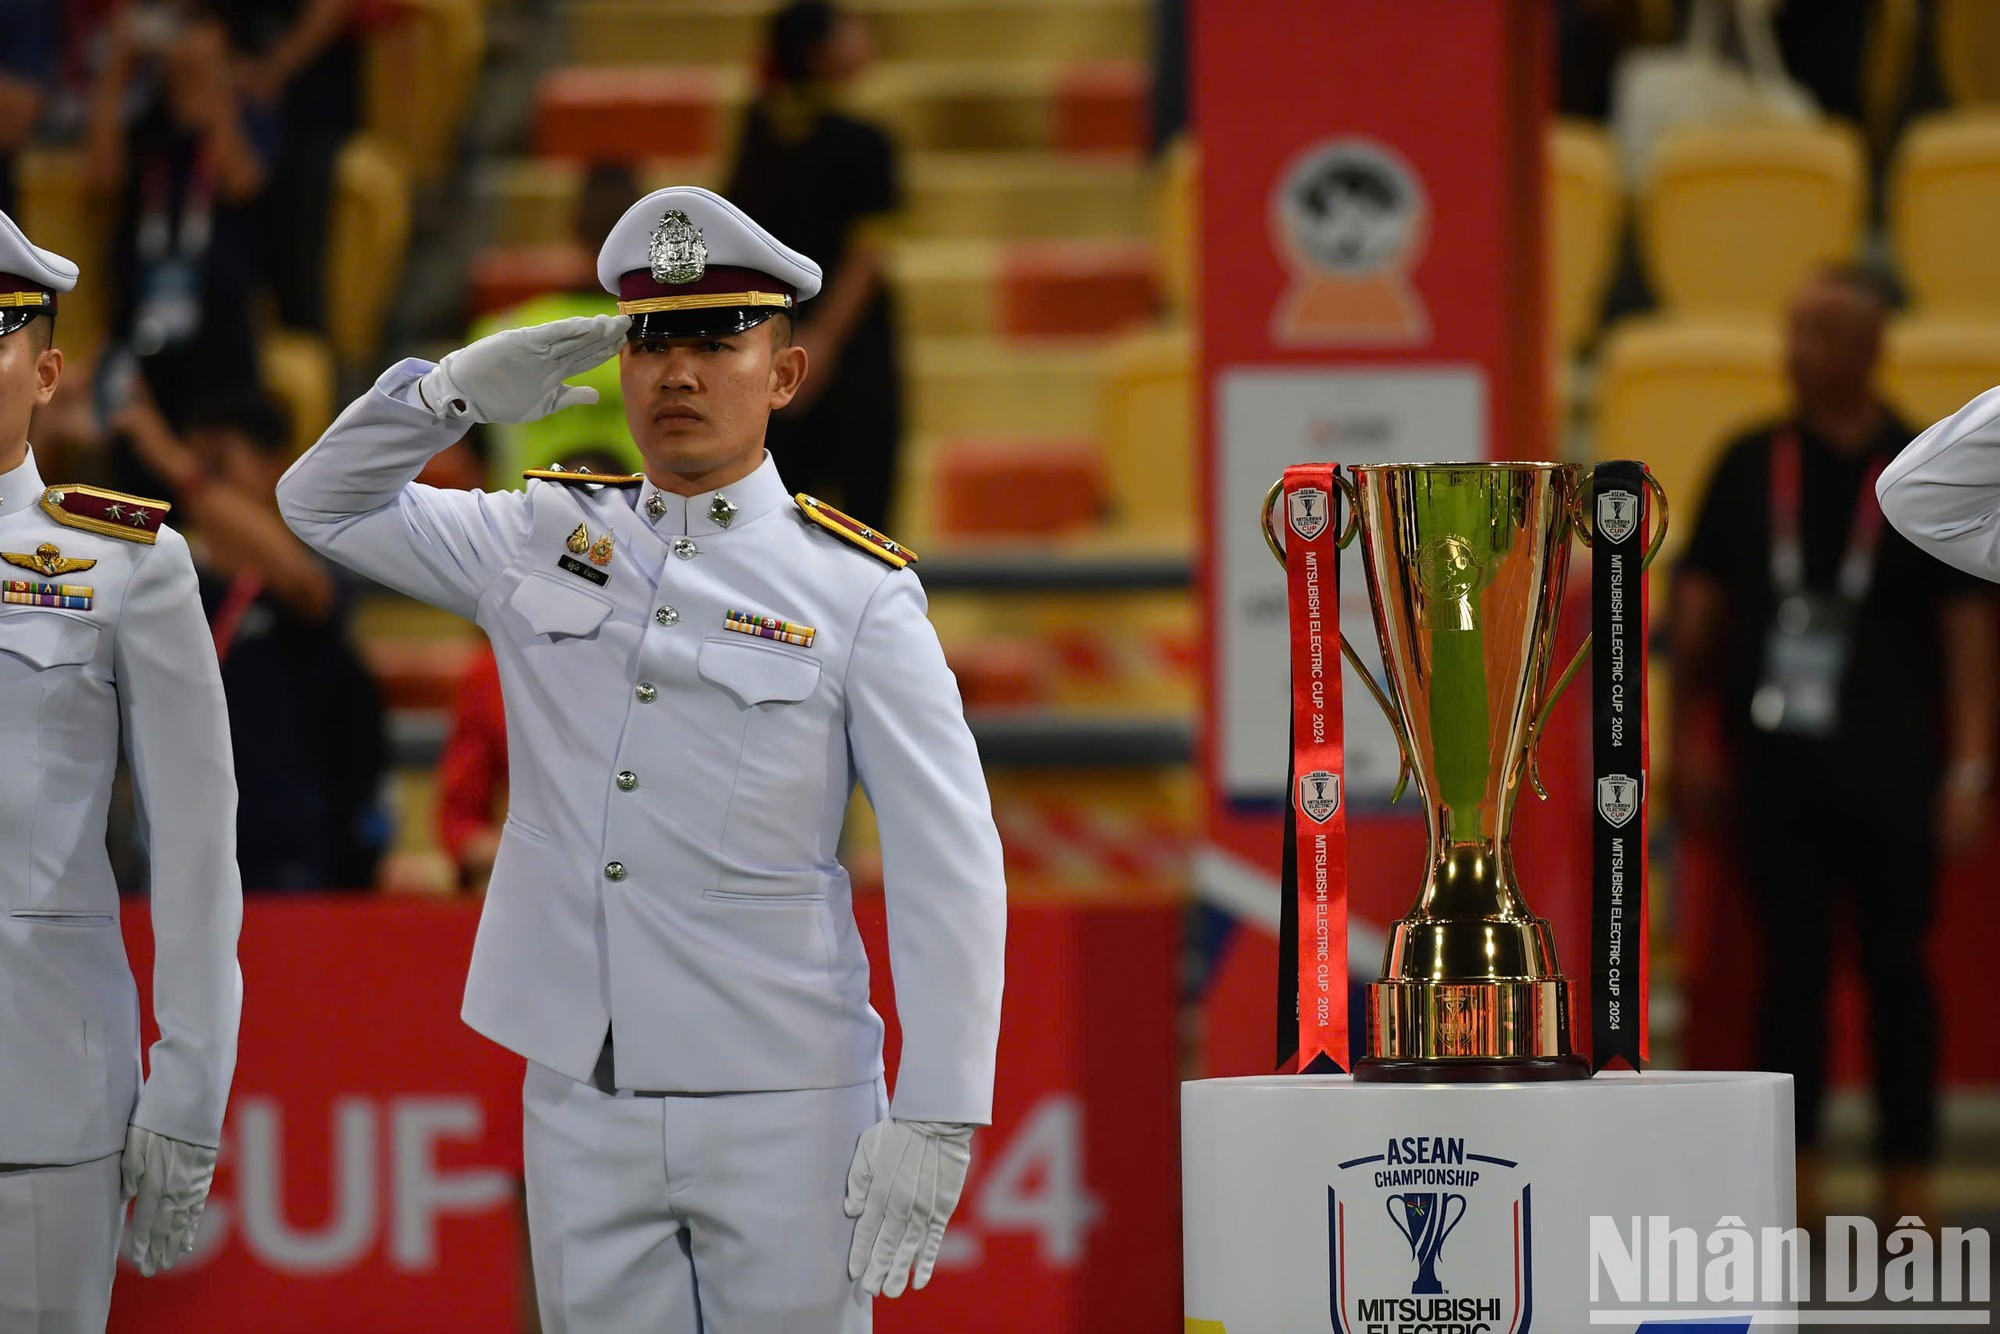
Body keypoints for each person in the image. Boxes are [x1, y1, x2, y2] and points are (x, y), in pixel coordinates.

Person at [276, 184, 1006, 1331]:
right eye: (652, 337)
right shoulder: (538, 533)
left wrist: (940, 1107)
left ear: (784, 373)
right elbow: (316, 503)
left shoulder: (856, 591)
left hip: (787, 1096)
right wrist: (453, 390)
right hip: (581, 1088)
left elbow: (947, 859)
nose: (678, 370)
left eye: (719, 338)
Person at [1674, 265, 1996, 1229]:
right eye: (1791, 328)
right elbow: (1699, 611)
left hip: (1894, 763)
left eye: (1818, 332)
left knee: (1900, 968)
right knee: (1793, 972)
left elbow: (1967, 628)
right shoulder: (1744, 460)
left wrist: (1972, 767)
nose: (1794, 350)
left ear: (1869, 347)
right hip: (1776, 765)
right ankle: (1797, 1171)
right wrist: (1680, 737)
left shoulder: (1925, 467)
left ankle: (1908, 1170)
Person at [0, 208, 241, 1329]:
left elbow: (197, 838)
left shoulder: (124, 563)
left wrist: (191, 1080)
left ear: (47, 370)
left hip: (34, 1084)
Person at [116, 383, 388, 891]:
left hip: (280, 843)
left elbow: (306, 587)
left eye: (216, 467)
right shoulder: (161, 573)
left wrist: (177, 465)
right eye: (195, 469)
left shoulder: (306, 570)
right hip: (172, 838)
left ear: (276, 466)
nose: (199, 487)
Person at [726, 0, 905, 527]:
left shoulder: (757, 129)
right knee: (865, 504)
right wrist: (824, 340)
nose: (864, 38)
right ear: (818, 52)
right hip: (850, 343)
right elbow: (866, 256)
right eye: (851, 31)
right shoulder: (866, 142)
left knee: (780, 498)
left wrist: (789, 339)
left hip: (776, 337)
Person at [85, 1, 273, 423]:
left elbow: (241, 181)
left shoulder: (246, 114)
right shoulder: (144, 123)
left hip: (218, 321)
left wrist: (214, 90)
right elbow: (100, 179)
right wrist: (115, 75)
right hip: (141, 316)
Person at [473, 162, 645, 487]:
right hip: (652, 529)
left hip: (522, 526)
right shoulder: (681, 340)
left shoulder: (500, 335)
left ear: (575, 225)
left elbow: (476, 449)